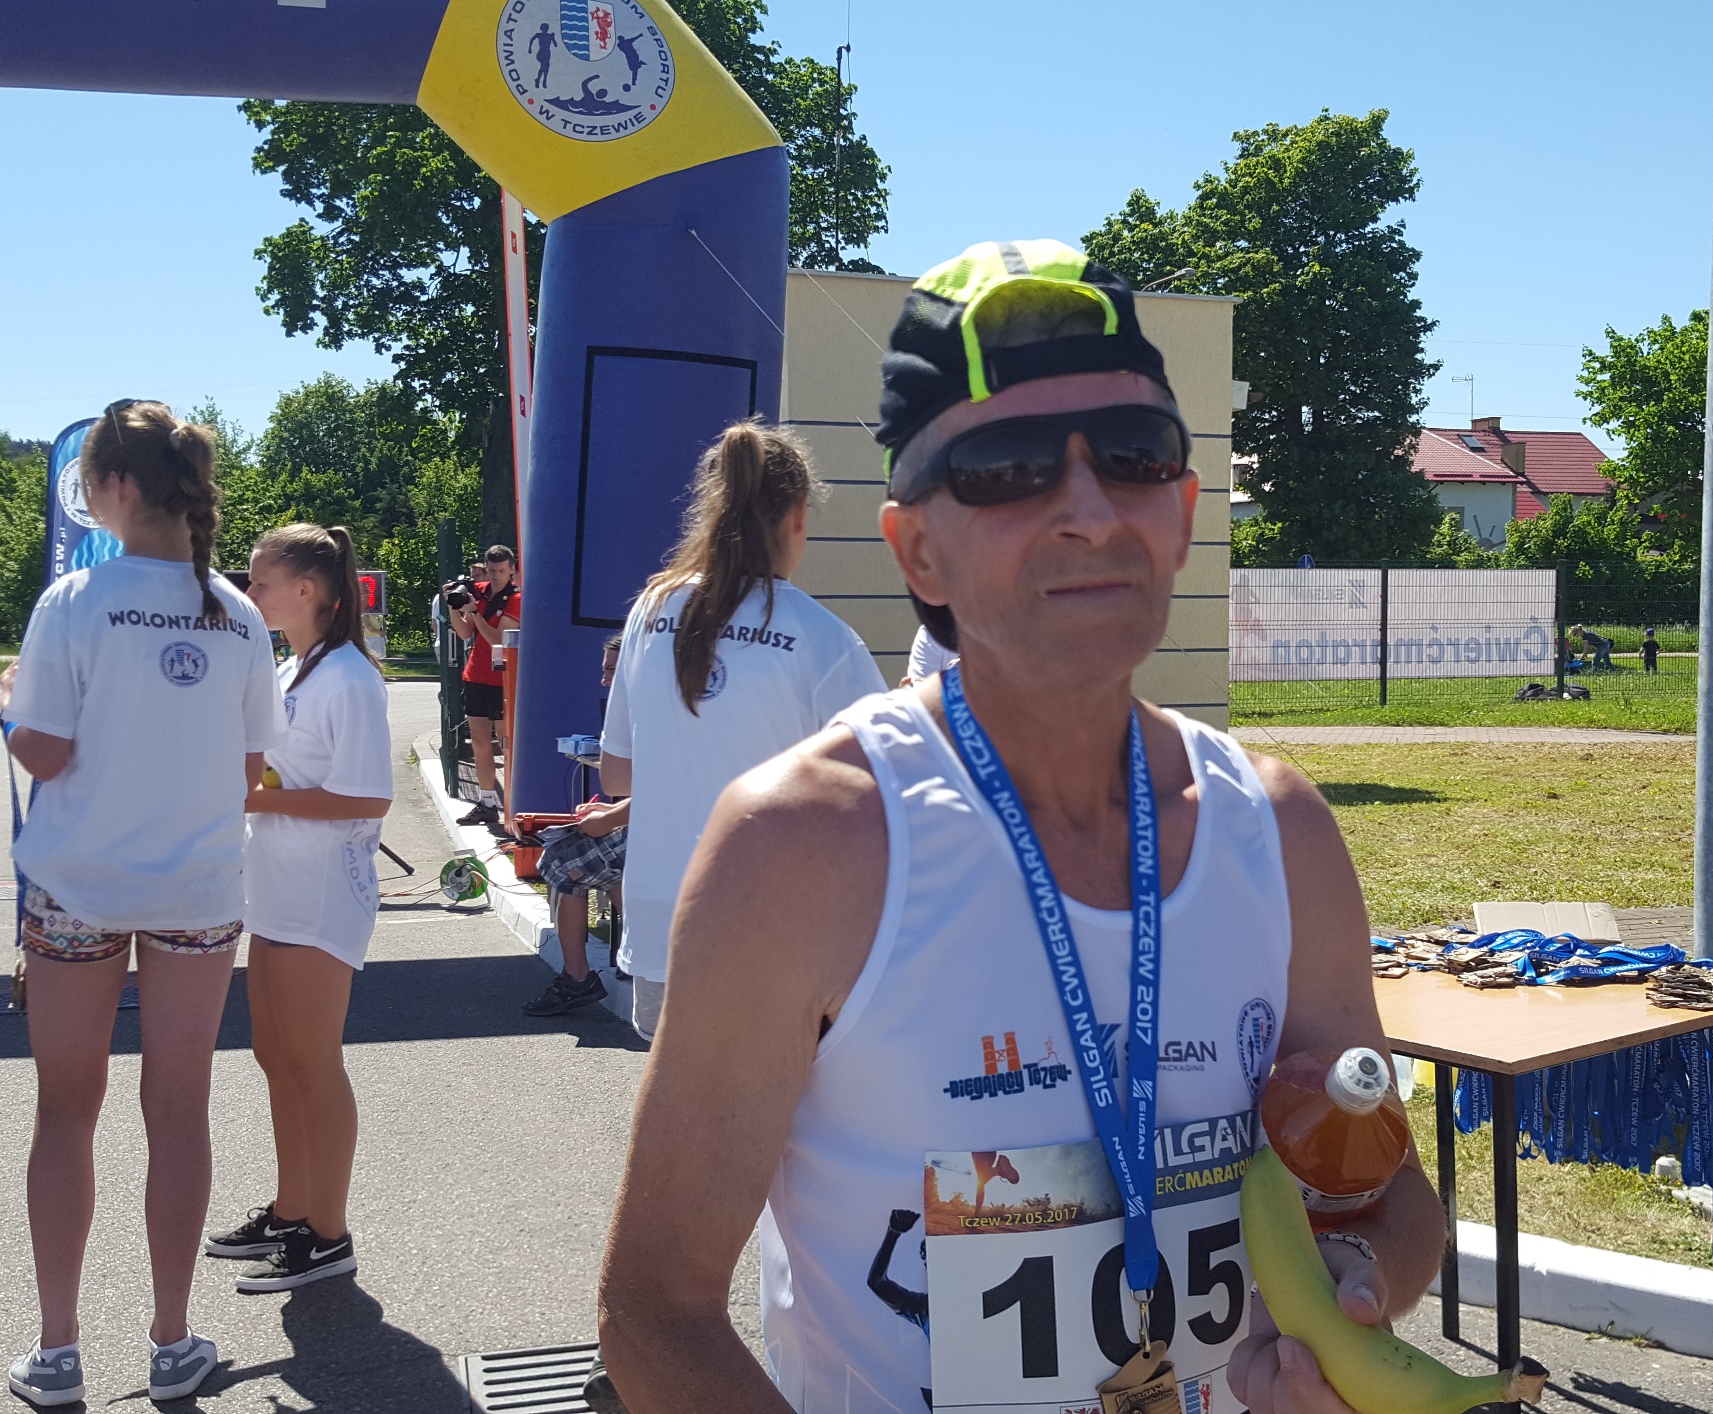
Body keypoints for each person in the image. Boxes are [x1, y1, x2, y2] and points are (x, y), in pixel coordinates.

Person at [595, 242, 1446, 1414]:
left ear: (1183, 514)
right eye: (1006, 469)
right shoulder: (799, 849)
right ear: (918, 552)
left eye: (1134, 456)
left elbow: (1392, 1198)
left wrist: (1347, 1287)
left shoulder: (1279, 829)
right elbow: (656, 1312)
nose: (1087, 511)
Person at [0, 401, 281, 1406]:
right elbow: (248, 768)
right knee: (179, 1107)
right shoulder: (238, 614)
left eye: (89, 485)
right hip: (196, 889)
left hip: (79, 885)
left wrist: (9, 703)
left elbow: (44, 751)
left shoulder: (75, 600)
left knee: (65, 1109)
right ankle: (170, 1339)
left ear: (117, 487)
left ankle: (58, 1350)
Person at [597, 422, 884, 1044]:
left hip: (661, 913)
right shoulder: (824, 638)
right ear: (798, 515)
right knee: (780, 1101)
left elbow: (616, 772)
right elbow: (883, 799)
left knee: (673, 1092)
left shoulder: (650, 610)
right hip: (775, 925)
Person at [202, 522, 394, 1294]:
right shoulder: (293, 668)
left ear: (306, 590)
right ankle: (292, 1210)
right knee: (275, 1055)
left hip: (322, 892)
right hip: (276, 888)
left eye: (260, 581)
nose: (249, 592)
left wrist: (249, 796)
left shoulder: (349, 679)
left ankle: (329, 1234)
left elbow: (367, 797)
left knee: (315, 1062)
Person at [523, 633, 626, 1019]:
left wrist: (609, 819)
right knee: (569, 857)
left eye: (612, 670)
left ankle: (580, 976)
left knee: (566, 863)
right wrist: (604, 811)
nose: (604, 680)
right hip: (655, 823)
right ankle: (585, 972)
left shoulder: (650, 714)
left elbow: (662, 790)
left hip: (671, 830)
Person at [449, 547, 522, 828]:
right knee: (479, 742)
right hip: (476, 675)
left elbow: (497, 639)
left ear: (512, 569)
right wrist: (454, 605)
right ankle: (487, 802)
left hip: (503, 679)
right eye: (492, 570)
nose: (496, 576)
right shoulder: (478, 591)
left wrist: (476, 612)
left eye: (501, 571)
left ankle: (513, 803)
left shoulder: (515, 598)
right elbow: (464, 632)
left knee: (505, 743)